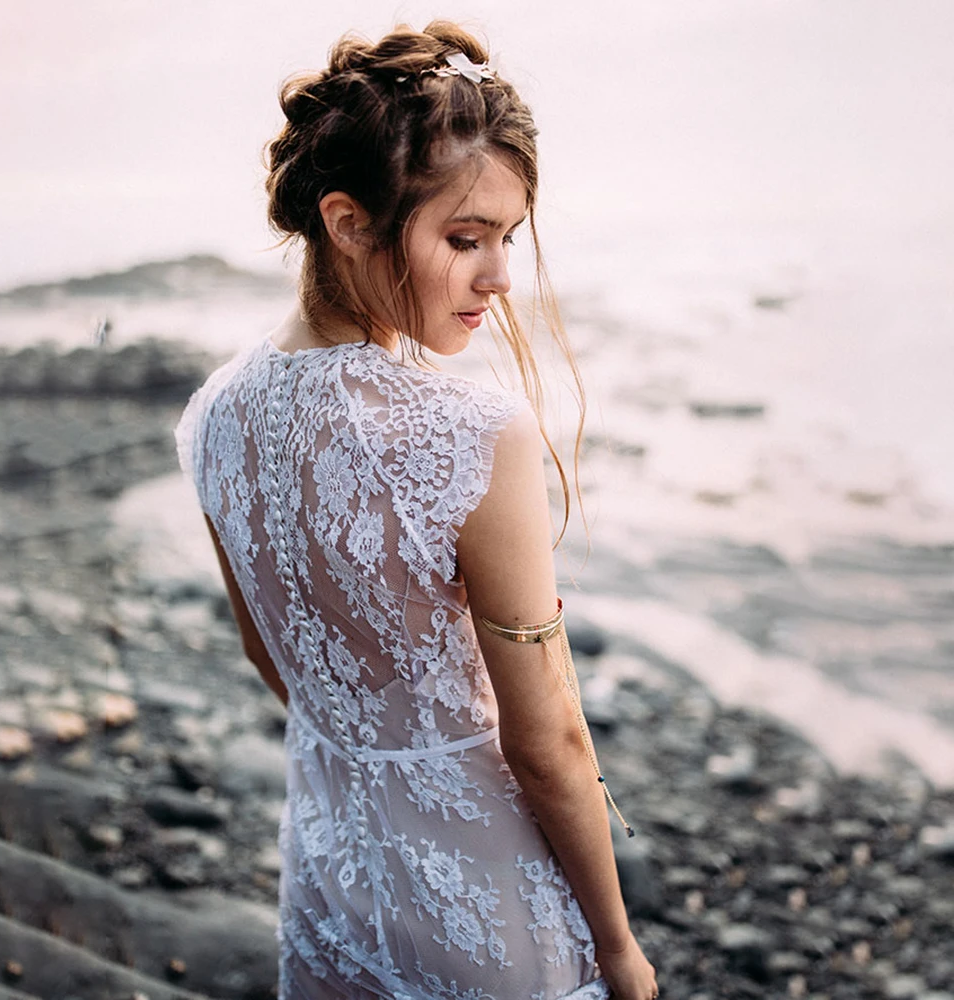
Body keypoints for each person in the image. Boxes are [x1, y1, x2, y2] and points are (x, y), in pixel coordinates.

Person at [175, 21, 658, 1000]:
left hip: (330, 886)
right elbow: (548, 741)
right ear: (349, 222)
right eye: (464, 238)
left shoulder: (212, 413)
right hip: (482, 910)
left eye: (509, 239)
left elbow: (276, 660)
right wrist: (617, 949)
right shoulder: (472, 429)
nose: (498, 277)